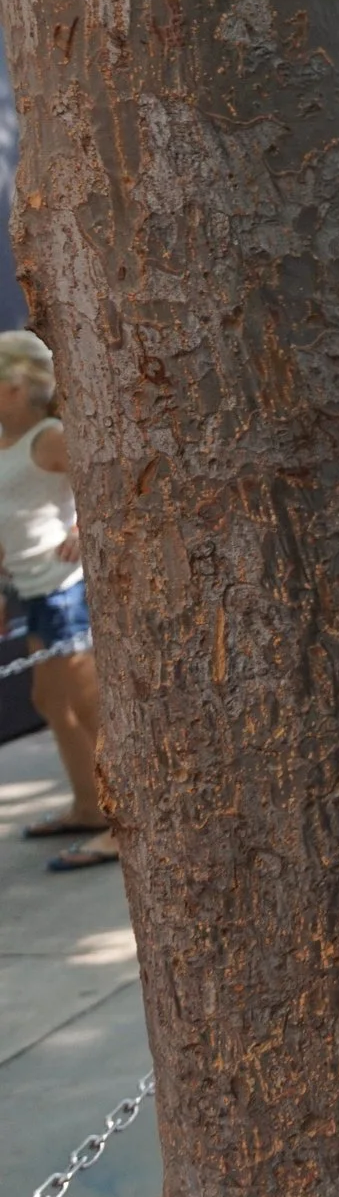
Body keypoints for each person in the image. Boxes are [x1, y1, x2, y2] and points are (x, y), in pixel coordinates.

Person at [0, 333, 115, 874]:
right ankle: (89, 808)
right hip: (30, 588)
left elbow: (105, 482)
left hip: (66, 586)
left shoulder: (50, 437)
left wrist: (81, 525)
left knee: (92, 706)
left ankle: (123, 826)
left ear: (14, 388)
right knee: (53, 702)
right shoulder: (6, 442)